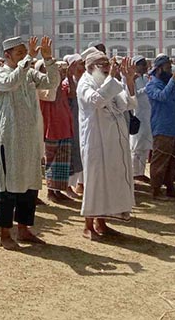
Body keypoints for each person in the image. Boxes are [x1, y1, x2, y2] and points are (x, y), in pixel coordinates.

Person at [0, 36, 59, 250]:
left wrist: (48, 61)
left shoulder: (30, 73)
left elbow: (52, 83)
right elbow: (12, 82)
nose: (24, 55)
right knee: (8, 186)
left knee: (29, 185)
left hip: (29, 138)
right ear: (7, 55)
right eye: (19, 52)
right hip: (9, 138)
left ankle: (23, 229)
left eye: (25, 51)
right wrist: (29, 57)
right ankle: (4, 234)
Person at [78, 53, 136, 239]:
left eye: (107, 63)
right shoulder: (84, 83)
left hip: (112, 139)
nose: (105, 66)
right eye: (101, 64)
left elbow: (127, 104)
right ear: (90, 66)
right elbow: (96, 101)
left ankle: (101, 222)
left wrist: (128, 80)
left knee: (108, 180)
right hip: (95, 140)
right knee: (94, 180)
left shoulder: (107, 81)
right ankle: (88, 225)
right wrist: (111, 77)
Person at [146, 55, 175, 200]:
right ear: (159, 69)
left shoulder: (171, 84)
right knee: (160, 161)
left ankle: (170, 188)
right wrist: (173, 80)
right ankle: (155, 190)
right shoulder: (152, 85)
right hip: (162, 129)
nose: (170, 71)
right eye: (167, 68)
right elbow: (162, 97)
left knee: (172, 161)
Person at [37, 59, 75, 204]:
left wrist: (69, 76)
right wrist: (56, 78)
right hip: (51, 128)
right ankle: (51, 192)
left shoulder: (63, 85)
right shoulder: (42, 87)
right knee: (51, 162)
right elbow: (51, 96)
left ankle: (58, 190)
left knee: (62, 162)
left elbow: (72, 94)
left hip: (64, 127)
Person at [63, 53, 86, 196]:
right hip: (70, 123)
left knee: (80, 154)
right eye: (79, 64)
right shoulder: (66, 83)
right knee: (71, 155)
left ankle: (80, 184)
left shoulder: (84, 81)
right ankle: (67, 186)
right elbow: (71, 96)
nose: (82, 67)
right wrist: (70, 77)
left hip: (81, 123)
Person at [130, 56, 153, 183]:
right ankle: (135, 173)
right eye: (143, 65)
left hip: (147, 115)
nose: (145, 67)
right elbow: (133, 94)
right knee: (137, 146)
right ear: (136, 65)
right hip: (138, 115)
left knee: (145, 145)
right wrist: (147, 88)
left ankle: (141, 172)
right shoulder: (131, 78)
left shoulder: (145, 77)